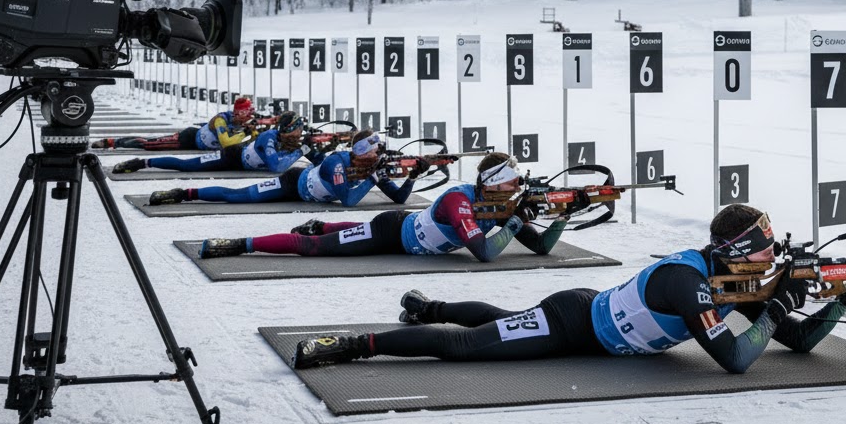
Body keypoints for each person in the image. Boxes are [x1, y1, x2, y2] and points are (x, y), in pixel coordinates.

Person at [291, 203, 846, 371]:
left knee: (497, 317)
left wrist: (838, 299)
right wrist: (775, 305)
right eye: (760, 244)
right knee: (467, 347)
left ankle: (430, 306)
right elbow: (733, 356)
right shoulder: (688, 280)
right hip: (574, 321)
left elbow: (799, 342)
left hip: (592, 334)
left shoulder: (733, 278)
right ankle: (352, 345)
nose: (769, 253)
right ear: (731, 252)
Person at [197, 151, 572, 261]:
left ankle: (323, 226)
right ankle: (240, 244)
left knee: (328, 237)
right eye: (512, 180)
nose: (517, 186)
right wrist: (515, 222)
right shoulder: (460, 200)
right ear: (491, 183)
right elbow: (485, 252)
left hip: (406, 235)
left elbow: (540, 247)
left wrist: (564, 214)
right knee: (313, 250)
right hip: (390, 232)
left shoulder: (501, 204)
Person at [147, 129, 417, 208]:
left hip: (305, 190)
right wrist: (372, 179)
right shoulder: (337, 162)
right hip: (291, 183)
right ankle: (186, 193)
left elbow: (399, 198)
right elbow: (347, 200)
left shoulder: (371, 165)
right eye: (374, 149)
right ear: (361, 152)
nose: (379, 154)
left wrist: (413, 176)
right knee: (238, 196)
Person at [112, 111, 310, 176]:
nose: (300, 132)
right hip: (231, 156)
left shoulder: (286, 138)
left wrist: (317, 149)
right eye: (298, 128)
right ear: (288, 129)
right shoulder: (269, 138)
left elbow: (312, 155)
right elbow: (276, 166)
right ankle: (142, 163)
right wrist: (301, 150)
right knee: (187, 166)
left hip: (240, 159)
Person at [91, 96, 256, 151]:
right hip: (188, 139)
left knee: (151, 141)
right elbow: (226, 142)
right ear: (240, 113)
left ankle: (114, 141)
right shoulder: (222, 119)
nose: (250, 117)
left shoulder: (240, 122)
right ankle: (113, 142)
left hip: (196, 141)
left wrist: (254, 131)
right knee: (149, 144)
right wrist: (246, 133)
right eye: (247, 113)